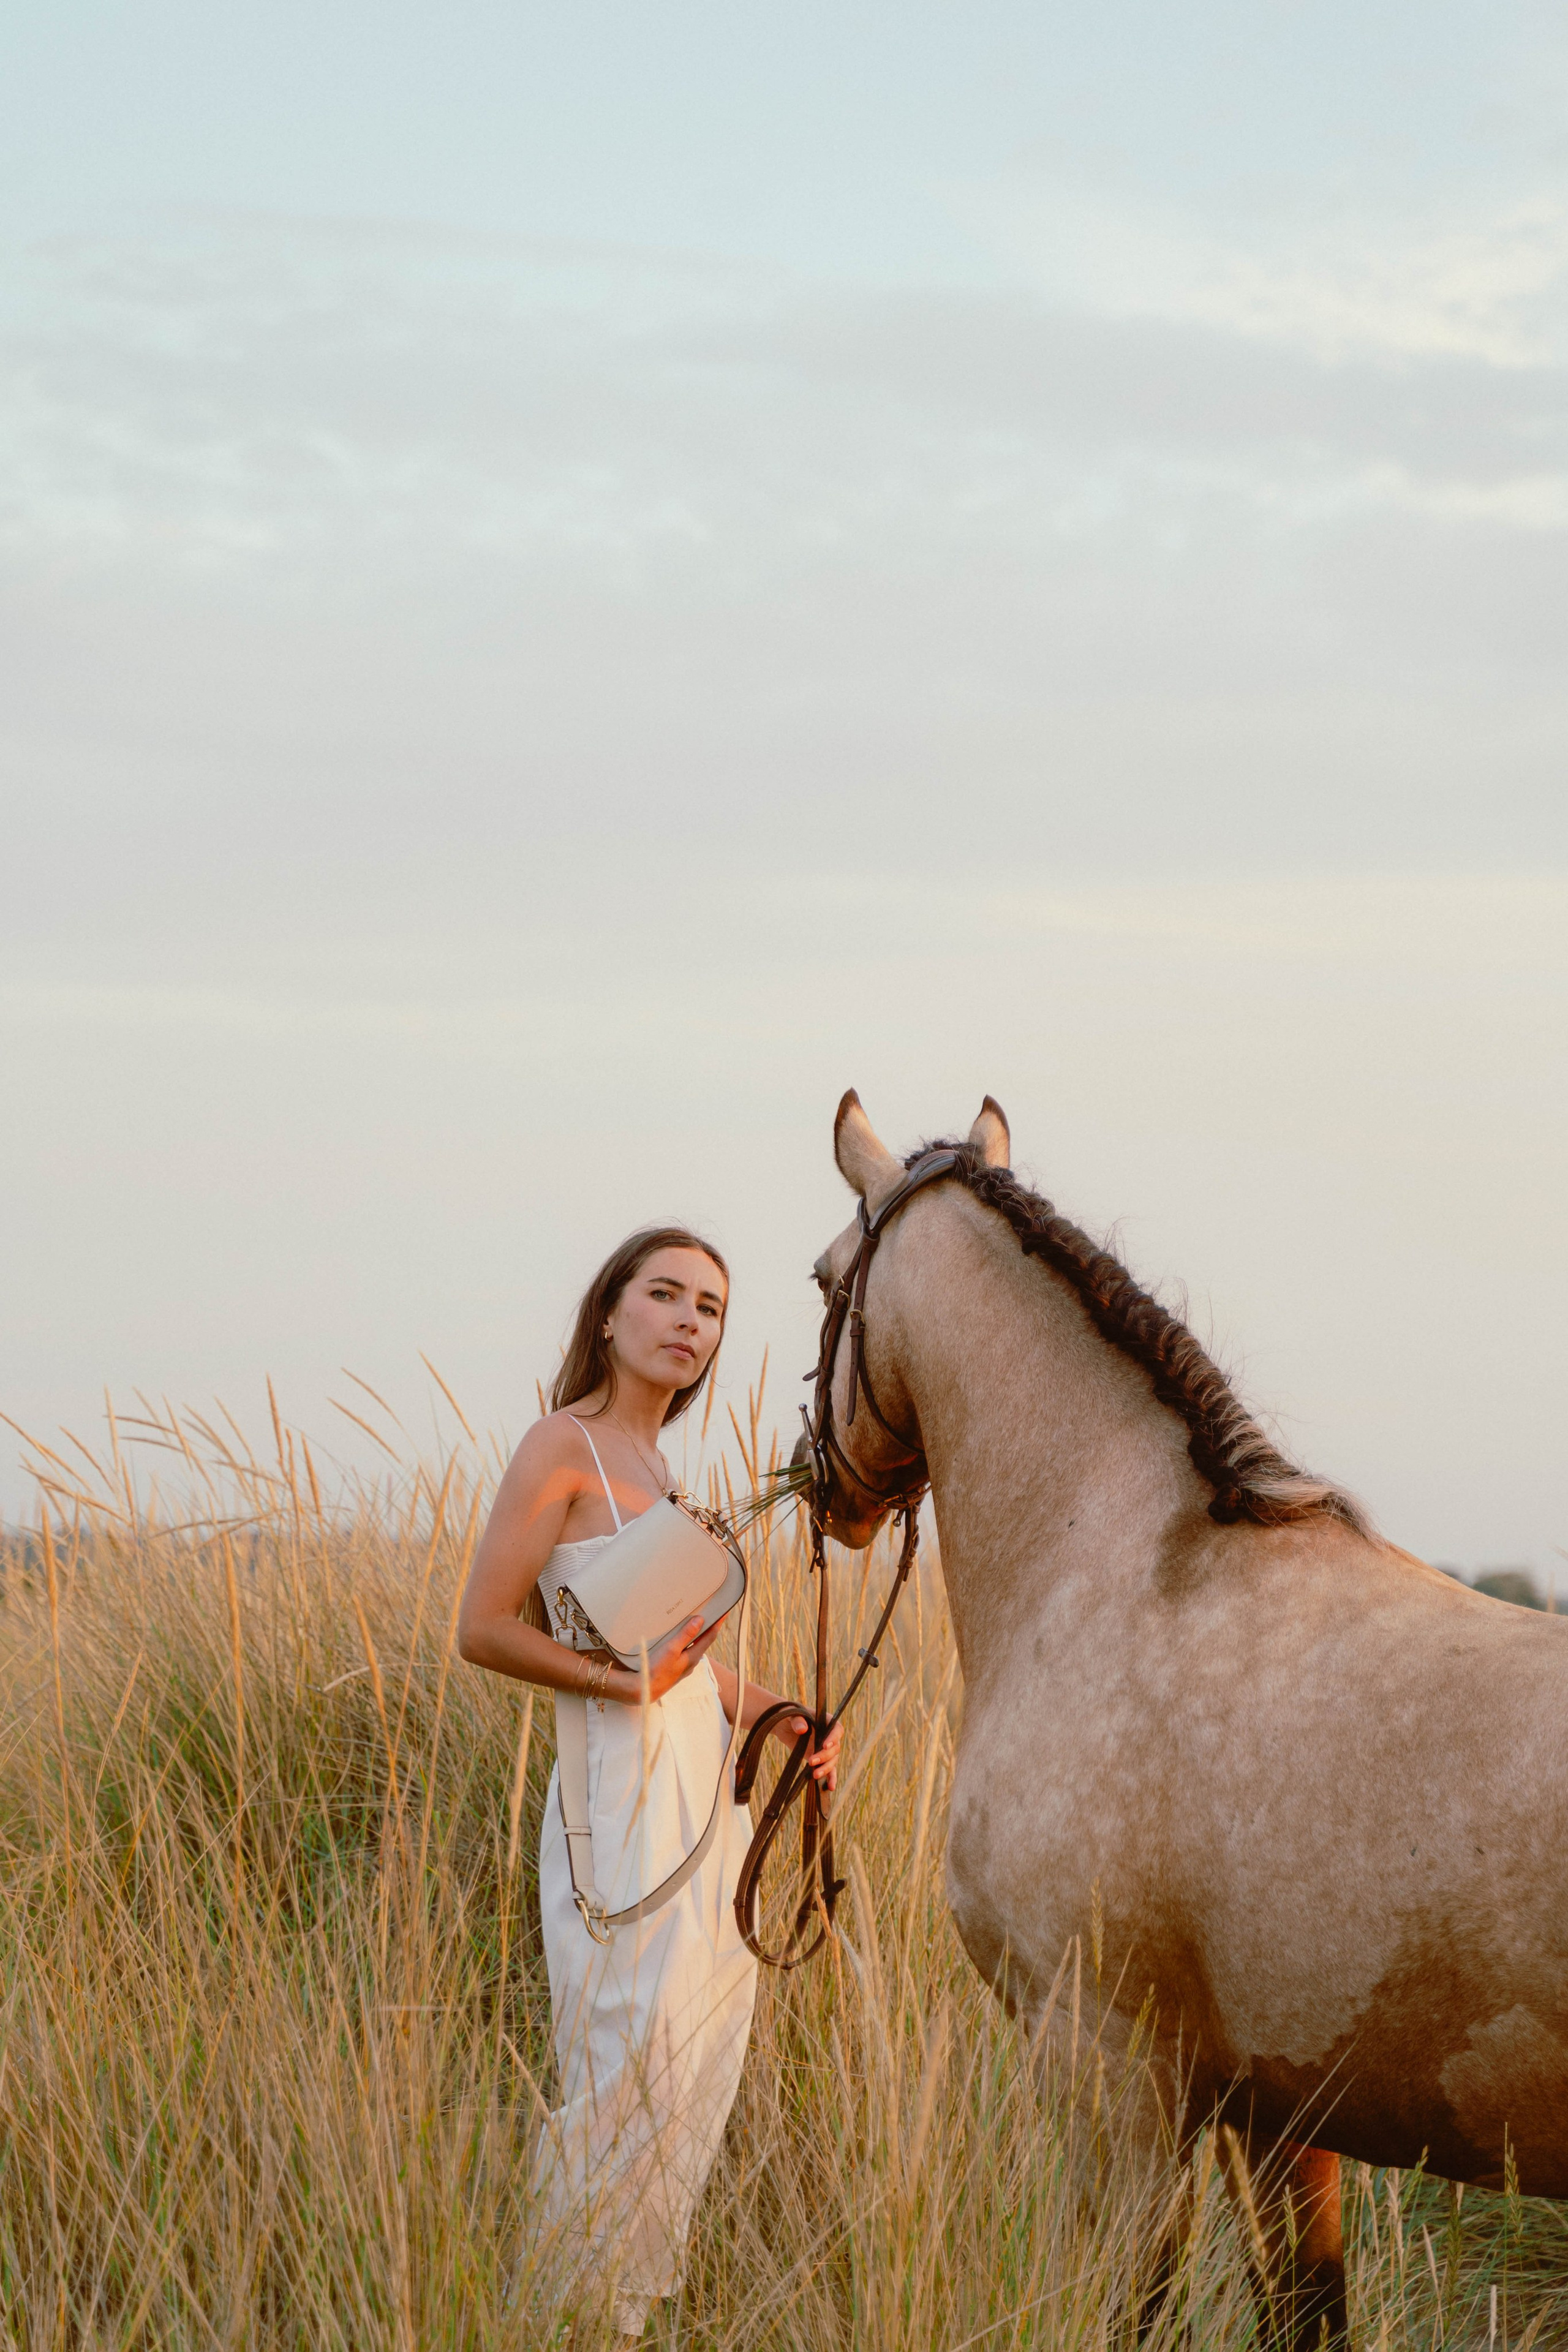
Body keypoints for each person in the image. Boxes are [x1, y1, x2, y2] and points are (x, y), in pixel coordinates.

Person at [458, 1226, 840, 2342]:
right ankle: (556, 2316)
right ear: (612, 1313)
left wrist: (771, 1710)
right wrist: (615, 1685)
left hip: (696, 1788)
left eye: (710, 1308)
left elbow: (676, 1661)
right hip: (610, 1794)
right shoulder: (559, 1448)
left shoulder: (665, 1471)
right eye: (665, 1295)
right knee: (624, 2058)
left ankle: (624, 2314)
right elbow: (481, 1629)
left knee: (699, 2048)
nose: (689, 1321)